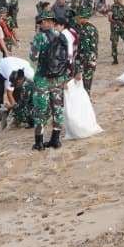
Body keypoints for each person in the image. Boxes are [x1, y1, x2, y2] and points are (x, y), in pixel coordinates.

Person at [29, 13, 69, 150]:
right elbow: (67, 58)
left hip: (43, 79)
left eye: (41, 22)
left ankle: (39, 142)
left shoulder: (39, 37)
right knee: (57, 109)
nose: (40, 24)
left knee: (41, 110)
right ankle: (55, 140)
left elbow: (33, 57)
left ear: (45, 22)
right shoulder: (61, 35)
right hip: (58, 78)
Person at [0, 55, 34, 129]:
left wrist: (12, 106)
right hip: (1, 68)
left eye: (15, 83)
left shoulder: (30, 77)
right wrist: (13, 105)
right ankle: (1, 111)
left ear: (20, 80)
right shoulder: (10, 75)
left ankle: (21, 119)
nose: (13, 85)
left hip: (19, 65)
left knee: (21, 105)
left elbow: (23, 101)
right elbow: (9, 92)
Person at [74, 3, 99, 93]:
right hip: (92, 58)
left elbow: (85, 48)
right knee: (88, 82)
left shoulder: (85, 30)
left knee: (85, 85)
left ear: (82, 18)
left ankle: (86, 102)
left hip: (86, 60)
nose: (76, 19)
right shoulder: (92, 27)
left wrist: (80, 65)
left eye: (78, 18)